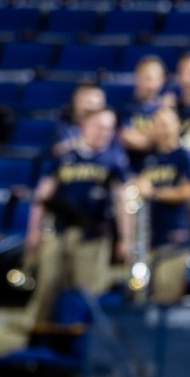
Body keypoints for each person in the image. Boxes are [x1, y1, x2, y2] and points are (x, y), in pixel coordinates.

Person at [24, 109, 132, 325]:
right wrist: (33, 230)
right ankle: (38, 333)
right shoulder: (64, 155)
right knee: (47, 287)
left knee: (87, 294)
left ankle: (85, 339)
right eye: (99, 127)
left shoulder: (114, 161)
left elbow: (122, 202)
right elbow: (43, 196)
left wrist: (125, 238)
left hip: (93, 236)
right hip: (59, 232)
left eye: (109, 129)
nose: (104, 133)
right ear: (84, 126)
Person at [128, 105, 190, 303]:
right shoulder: (145, 159)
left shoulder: (184, 156)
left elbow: (188, 192)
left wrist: (153, 192)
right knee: (140, 298)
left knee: (164, 296)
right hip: (147, 240)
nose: (165, 130)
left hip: (176, 238)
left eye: (168, 124)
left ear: (178, 125)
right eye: (160, 125)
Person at [119, 55, 172, 157]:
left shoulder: (169, 108)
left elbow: (171, 143)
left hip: (164, 162)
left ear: (163, 80)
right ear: (137, 77)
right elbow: (128, 138)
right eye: (147, 78)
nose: (151, 84)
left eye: (157, 78)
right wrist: (159, 136)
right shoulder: (124, 109)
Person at [53, 83, 108, 156]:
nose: (92, 108)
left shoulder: (109, 128)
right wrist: (77, 143)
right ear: (76, 102)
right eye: (89, 103)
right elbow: (56, 152)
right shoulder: (64, 126)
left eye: (98, 104)